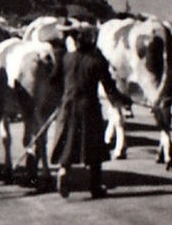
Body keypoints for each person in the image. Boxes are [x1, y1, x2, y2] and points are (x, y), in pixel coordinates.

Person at [51, 24, 129, 200]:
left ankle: (64, 170)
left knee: (68, 141)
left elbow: (54, 80)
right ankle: (95, 187)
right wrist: (123, 99)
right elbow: (109, 88)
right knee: (94, 148)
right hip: (89, 107)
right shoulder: (97, 60)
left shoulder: (66, 58)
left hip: (67, 105)